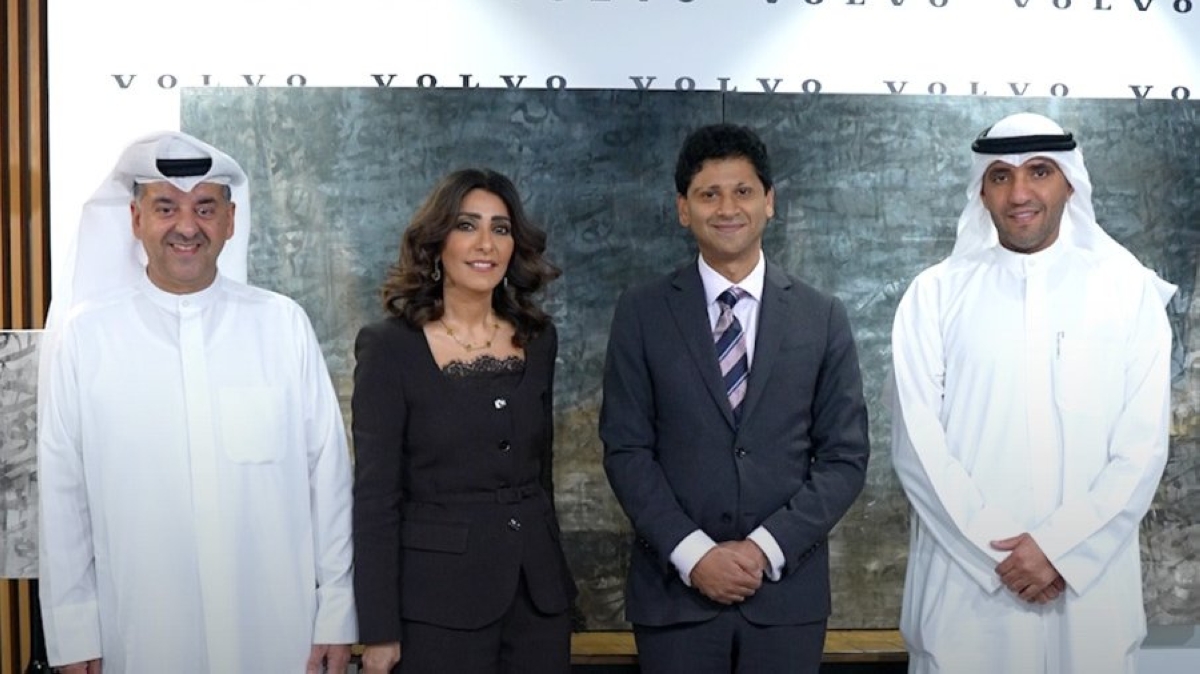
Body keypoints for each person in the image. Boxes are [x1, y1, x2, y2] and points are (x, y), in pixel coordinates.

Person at [36, 131, 357, 674]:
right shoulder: (87, 337)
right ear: (135, 219)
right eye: (166, 207)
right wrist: (73, 635)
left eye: (205, 208)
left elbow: (327, 481)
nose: (187, 226)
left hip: (276, 633)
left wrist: (337, 615)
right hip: (138, 635)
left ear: (230, 221)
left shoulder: (282, 326)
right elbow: (63, 498)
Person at [890, 112, 1176, 673]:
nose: (1019, 193)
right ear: (982, 190)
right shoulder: (934, 296)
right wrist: (1001, 553)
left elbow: (1141, 450)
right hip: (968, 597)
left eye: (1039, 171)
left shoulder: (1127, 293)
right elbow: (917, 447)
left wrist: (1061, 550)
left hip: (1088, 597)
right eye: (1000, 176)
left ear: (1070, 183)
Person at [600, 123, 871, 673]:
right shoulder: (642, 313)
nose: (727, 208)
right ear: (683, 209)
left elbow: (844, 457)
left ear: (769, 201)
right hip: (675, 597)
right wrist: (695, 554)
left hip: (786, 599)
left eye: (743, 191)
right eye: (709, 194)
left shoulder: (821, 316)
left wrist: (762, 549)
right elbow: (626, 451)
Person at [351, 168, 577, 674]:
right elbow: (376, 497)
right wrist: (379, 629)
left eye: (501, 228)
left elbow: (541, 476)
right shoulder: (390, 347)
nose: (485, 244)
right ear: (437, 242)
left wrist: (555, 581)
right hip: (437, 608)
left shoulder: (539, 339)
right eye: (467, 225)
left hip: (537, 602)